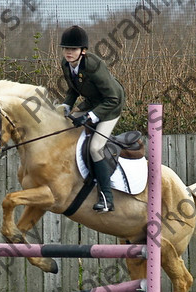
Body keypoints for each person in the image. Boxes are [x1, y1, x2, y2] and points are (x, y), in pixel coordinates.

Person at [59, 25, 125, 213]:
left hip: (111, 106)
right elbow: (73, 90)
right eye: (65, 48)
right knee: (65, 126)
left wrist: (89, 117)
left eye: (72, 49)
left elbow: (112, 98)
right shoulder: (66, 65)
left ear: (83, 51)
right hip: (92, 102)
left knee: (96, 147)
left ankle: (106, 197)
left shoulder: (93, 65)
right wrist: (66, 107)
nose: (68, 52)